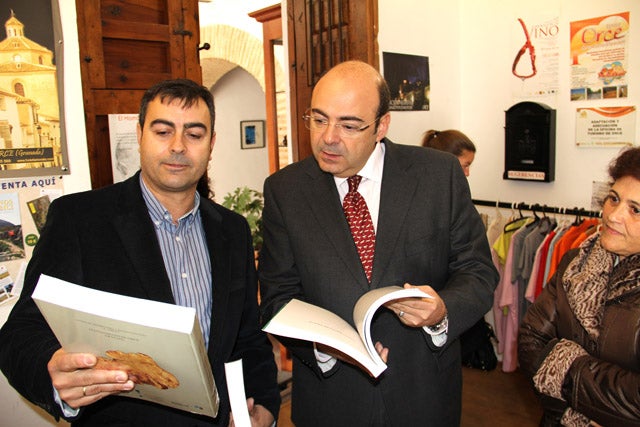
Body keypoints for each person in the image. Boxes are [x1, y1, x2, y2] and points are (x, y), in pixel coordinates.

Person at [0, 79, 280, 426]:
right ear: (139, 134)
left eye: (194, 134)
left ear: (211, 144)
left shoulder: (232, 230)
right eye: (163, 132)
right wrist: (54, 375)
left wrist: (265, 406)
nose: (178, 146)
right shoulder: (79, 220)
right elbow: (21, 333)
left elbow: (248, 338)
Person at [258, 60, 498, 426]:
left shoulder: (438, 175)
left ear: (381, 126)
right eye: (319, 119)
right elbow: (277, 297)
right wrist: (324, 347)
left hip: (423, 395)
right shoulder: (285, 190)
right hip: (331, 401)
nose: (328, 137)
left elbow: (478, 272)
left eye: (349, 125)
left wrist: (442, 310)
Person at [519, 147, 640, 426]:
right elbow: (530, 342)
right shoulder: (576, 263)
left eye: (635, 210)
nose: (613, 215)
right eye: (613, 199)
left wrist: (563, 370)